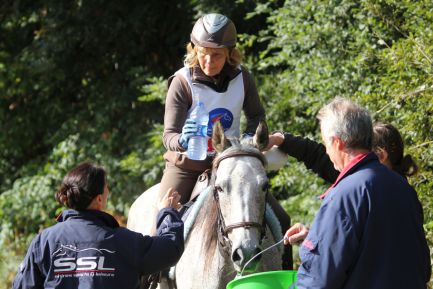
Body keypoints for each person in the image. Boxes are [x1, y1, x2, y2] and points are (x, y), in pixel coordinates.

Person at [159, 13, 293, 269]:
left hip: (232, 162)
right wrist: (183, 140)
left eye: (217, 55)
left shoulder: (243, 77)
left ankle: (284, 277)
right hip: (189, 165)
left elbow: (256, 116)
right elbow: (169, 136)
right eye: (203, 53)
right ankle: (154, 278)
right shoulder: (181, 82)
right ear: (194, 49)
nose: (208, 61)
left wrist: (247, 141)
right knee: (162, 217)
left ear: (231, 53)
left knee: (281, 218)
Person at [288, 97, 431, 288]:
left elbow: (318, 279)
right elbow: (419, 265)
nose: (327, 153)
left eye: (326, 144)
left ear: (337, 143)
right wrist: (315, 236)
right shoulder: (404, 188)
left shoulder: (343, 196)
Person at [12, 162, 184, 289]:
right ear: (99, 199)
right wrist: (167, 212)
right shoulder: (123, 241)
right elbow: (170, 249)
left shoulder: (44, 241)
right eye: (106, 187)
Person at [267, 122, 422, 245]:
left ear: (381, 156)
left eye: (361, 153)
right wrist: (281, 140)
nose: (352, 158)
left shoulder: (377, 193)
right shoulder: (392, 188)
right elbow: (318, 156)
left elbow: (358, 254)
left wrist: (312, 242)